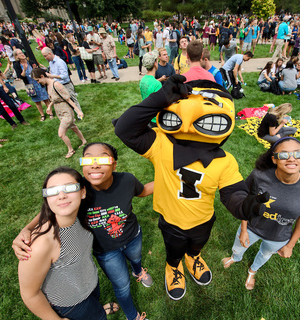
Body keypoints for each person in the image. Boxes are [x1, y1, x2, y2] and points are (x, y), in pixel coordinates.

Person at [114, 76, 269, 301]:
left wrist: (246, 206)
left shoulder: (225, 160)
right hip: (171, 220)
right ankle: (173, 267)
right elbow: (124, 129)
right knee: (173, 250)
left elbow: (233, 193)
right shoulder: (160, 144)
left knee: (197, 246)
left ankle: (193, 258)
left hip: (203, 219)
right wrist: (160, 99)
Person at [13, 144, 153, 320]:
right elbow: (52, 208)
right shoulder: (75, 193)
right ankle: (131, 317)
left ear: (114, 164)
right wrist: (26, 229)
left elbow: (143, 191)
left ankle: (135, 273)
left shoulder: (122, 182)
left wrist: (170, 178)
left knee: (134, 260)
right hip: (101, 258)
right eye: (88, 159)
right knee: (121, 287)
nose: (95, 165)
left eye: (102, 159)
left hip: (120, 249)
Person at [222, 137, 300, 290]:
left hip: (278, 236)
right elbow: (246, 202)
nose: (291, 158)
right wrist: (243, 229)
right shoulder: (259, 176)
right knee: (238, 247)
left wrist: (290, 245)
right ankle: (235, 258)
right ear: (274, 159)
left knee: (265, 254)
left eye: (298, 154)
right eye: (284, 155)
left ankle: (253, 270)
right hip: (251, 227)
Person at [16, 166, 113, 320]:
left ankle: (98, 309)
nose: (61, 196)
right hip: (71, 303)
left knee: (95, 309)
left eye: (69, 188)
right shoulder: (41, 244)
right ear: (47, 199)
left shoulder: (80, 214)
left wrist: (26, 227)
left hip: (90, 283)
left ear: (82, 192)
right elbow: (30, 294)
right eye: (52, 191)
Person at [31, 68, 86, 159]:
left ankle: (70, 150)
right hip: (59, 111)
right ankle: (84, 141)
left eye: (38, 80)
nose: (38, 82)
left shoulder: (56, 84)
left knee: (61, 134)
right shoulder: (48, 85)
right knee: (74, 127)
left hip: (66, 111)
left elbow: (68, 98)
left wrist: (78, 111)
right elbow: (54, 98)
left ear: (42, 76)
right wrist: (49, 106)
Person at [41, 47, 83, 117]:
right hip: (58, 85)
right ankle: (70, 115)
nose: (45, 58)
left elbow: (64, 76)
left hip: (66, 84)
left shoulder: (59, 62)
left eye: (45, 56)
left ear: (50, 54)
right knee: (65, 101)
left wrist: (51, 76)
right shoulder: (51, 63)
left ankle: (80, 115)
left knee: (72, 99)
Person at [14, 50, 51, 121]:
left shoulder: (30, 62)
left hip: (38, 83)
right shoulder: (17, 65)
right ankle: (42, 115)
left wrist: (35, 69)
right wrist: (24, 70)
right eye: (19, 53)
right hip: (29, 85)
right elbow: (20, 76)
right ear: (17, 56)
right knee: (37, 101)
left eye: (22, 52)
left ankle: (50, 113)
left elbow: (38, 72)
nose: (22, 54)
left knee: (46, 99)